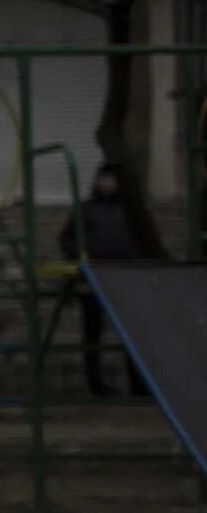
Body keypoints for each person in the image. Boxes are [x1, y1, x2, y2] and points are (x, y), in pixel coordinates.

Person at [59, 162, 146, 397]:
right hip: (94, 278)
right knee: (93, 332)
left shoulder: (129, 210)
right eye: (103, 178)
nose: (106, 183)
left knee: (132, 332)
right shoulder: (86, 209)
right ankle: (96, 384)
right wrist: (81, 256)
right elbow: (66, 237)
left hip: (125, 277)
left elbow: (144, 240)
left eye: (111, 179)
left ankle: (138, 383)